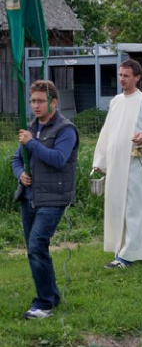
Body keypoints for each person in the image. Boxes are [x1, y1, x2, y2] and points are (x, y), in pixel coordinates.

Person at [93, 59, 142, 267]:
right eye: (120, 75)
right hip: (117, 165)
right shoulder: (116, 101)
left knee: (135, 208)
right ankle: (128, 246)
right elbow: (107, 131)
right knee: (118, 206)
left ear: (137, 77)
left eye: (126, 76)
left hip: (137, 165)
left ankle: (127, 255)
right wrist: (100, 160)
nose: (122, 79)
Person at [12, 80, 78, 319]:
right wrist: (20, 174)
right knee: (35, 249)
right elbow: (16, 160)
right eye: (32, 101)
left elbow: (59, 159)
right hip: (30, 197)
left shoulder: (65, 129)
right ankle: (52, 296)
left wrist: (32, 142)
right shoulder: (31, 126)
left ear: (53, 102)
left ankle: (44, 304)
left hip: (54, 197)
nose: (35, 106)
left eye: (40, 101)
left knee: (37, 246)